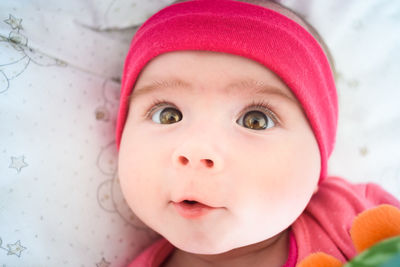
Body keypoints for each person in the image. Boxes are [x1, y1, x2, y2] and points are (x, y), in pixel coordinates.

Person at [115, 0, 400, 266]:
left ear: (318, 161)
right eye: (167, 115)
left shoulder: (356, 215)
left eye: (256, 120)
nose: (196, 149)